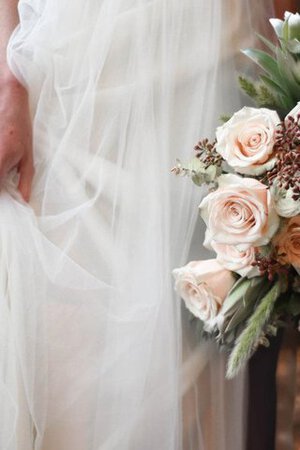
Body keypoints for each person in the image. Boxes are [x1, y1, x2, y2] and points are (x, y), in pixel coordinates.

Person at [0, 1, 288, 449]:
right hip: (76, 78)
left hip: (209, 57)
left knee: (185, 347)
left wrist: (286, 74)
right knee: (64, 355)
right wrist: (7, 79)